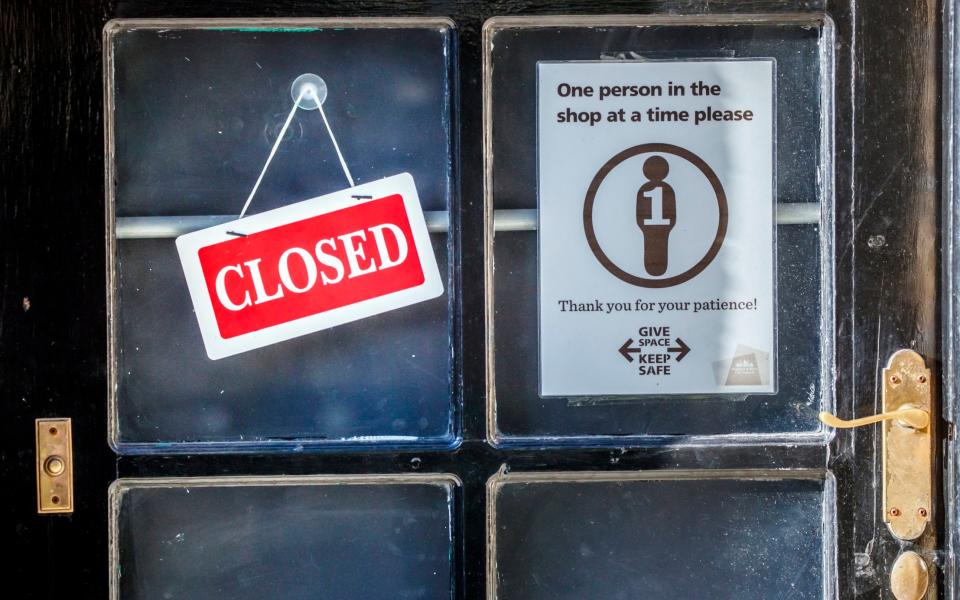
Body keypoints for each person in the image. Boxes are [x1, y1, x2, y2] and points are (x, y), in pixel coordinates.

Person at [636, 155, 676, 276]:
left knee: (656, 248)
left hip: (655, 227)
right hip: (656, 227)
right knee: (656, 247)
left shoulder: (644, 189)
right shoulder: (667, 188)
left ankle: (655, 269)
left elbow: (639, 216)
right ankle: (656, 269)